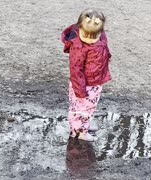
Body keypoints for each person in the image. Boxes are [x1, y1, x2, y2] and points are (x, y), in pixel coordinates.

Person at [61, 9, 112, 141]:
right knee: (80, 108)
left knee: (89, 107)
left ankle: (85, 124)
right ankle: (78, 132)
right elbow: (76, 70)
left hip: (95, 81)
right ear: (79, 27)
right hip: (83, 85)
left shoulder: (100, 35)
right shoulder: (78, 47)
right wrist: (80, 91)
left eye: (93, 36)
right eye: (86, 35)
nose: (90, 39)